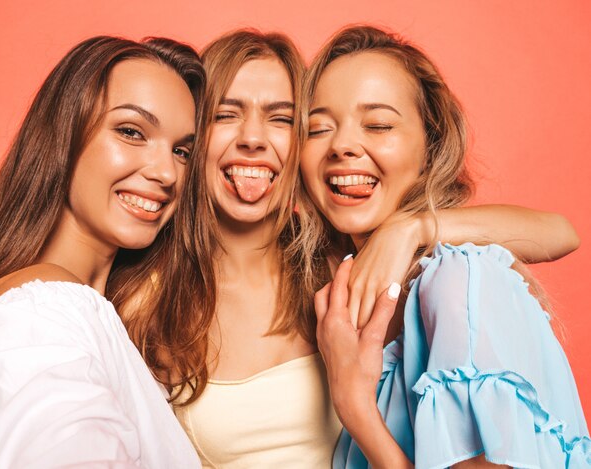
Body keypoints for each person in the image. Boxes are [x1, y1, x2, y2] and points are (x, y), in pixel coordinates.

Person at [114, 29, 580, 468]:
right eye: (224, 114)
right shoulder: (150, 297)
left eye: (280, 118)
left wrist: (411, 229)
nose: (253, 138)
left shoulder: (344, 270)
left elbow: (560, 232)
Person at [303, 26, 590, 468]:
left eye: (378, 124)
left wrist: (356, 409)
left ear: (430, 145)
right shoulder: (340, 296)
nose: (342, 146)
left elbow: (562, 232)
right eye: (318, 128)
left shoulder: (457, 283)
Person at [0, 36, 204, 468]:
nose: (167, 172)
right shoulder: (45, 316)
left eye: (181, 151)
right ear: (65, 135)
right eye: (132, 132)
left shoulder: (76, 316)